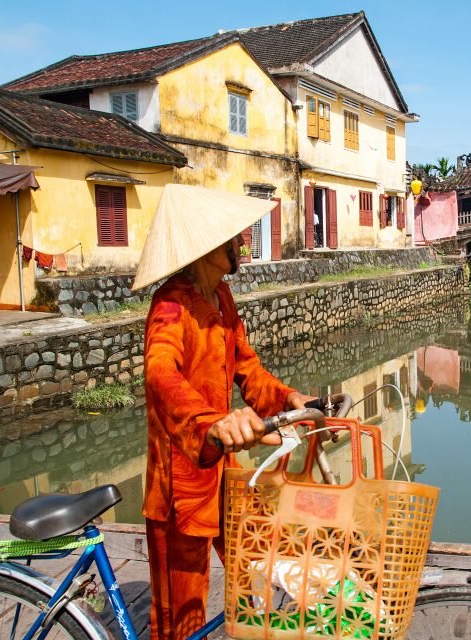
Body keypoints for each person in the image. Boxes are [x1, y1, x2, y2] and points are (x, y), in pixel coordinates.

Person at [131, 184, 314, 640]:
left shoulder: (222, 298)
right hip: (182, 481)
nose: (243, 243)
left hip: (223, 469)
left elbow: (248, 368)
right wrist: (210, 422)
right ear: (210, 246)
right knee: (181, 614)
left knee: (249, 572)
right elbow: (160, 376)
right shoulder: (171, 307)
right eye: (235, 238)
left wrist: (290, 400)